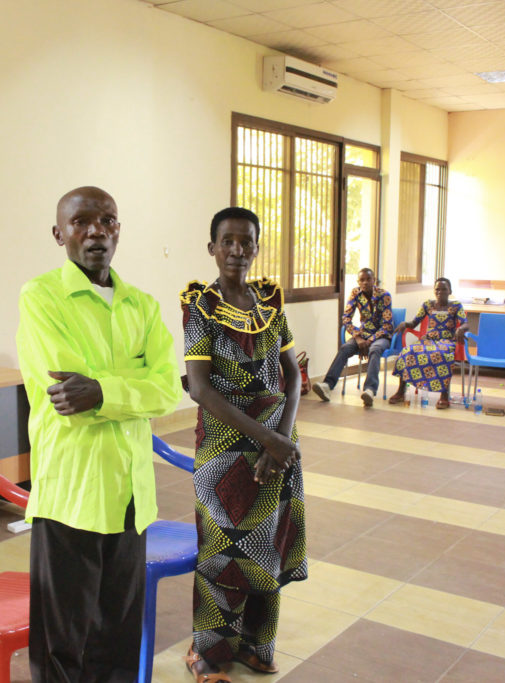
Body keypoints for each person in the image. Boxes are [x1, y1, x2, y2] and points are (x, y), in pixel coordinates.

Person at [15, 186, 182, 683]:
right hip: (72, 492)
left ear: (118, 230)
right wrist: (131, 388)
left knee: (119, 636)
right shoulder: (41, 298)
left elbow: (169, 390)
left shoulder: (143, 306)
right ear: (59, 233)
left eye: (107, 220)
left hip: (131, 494)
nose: (96, 231)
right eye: (82, 221)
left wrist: (104, 391)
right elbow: (66, 396)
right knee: (62, 642)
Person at [180, 207, 307, 683]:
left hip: (277, 445)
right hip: (226, 447)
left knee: (266, 545)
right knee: (223, 550)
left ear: (256, 247)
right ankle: (208, 654)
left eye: (246, 242)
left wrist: (282, 440)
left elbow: (293, 374)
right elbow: (199, 387)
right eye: (227, 241)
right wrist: (267, 439)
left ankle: (256, 644)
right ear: (212, 248)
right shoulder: (201, 307)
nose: (237, 250)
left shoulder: (269, 302)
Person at [312, 267, 394, 407]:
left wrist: (369, 341)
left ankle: (369, 390)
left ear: (374, 280)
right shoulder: (355, 293)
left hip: (381, 336)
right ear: (358, 282)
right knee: (345, 348)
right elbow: (346, 318)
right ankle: (327, 385)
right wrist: (358, 338)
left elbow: (387, 325)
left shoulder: (384, 295)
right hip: (362, 335)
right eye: (362, 280)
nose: (365, 282)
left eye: (369, 279)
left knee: (374, 349)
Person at [388, 277, 468, 409]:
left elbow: (465, 323)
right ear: (434, 291)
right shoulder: (427, 305)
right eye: (437, 289)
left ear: (450, 291)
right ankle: (401, 391)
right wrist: (405, 323)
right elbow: (414, 323)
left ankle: (444, 395)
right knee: (407, 352)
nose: (440, 292)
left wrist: (461, 329)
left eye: (444, 289)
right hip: (428, 340)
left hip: (446, 341)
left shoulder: (456, 306)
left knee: (443, 355)